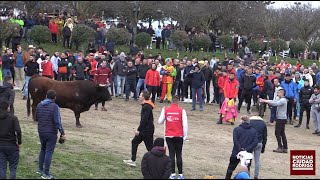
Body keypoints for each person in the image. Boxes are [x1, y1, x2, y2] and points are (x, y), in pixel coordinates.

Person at [36, 90, 65, 179]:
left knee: (43, 150)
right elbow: (57, 121)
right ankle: (46, 173)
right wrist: (62, 132)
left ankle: (40, 169)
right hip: (51, 132)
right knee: (49, 152)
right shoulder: (54, 107)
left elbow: (37, 117)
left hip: (41, 130)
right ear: (55, 97)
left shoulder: (39, 105)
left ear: (46, 95)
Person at [158, 96, 188, 179]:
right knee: (179, 154)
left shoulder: (166, 110)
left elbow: (160, 121)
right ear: (178, 102)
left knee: (171, 154)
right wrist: (184, 135)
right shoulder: (182, 110)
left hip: (169, 135)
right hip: (179, 135)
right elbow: (185, 125)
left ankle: (173, 174)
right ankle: (181, 175)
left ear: (171, 102)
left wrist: (164, 116)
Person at [124, 91, 155, 167]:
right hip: (145, 129)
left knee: (150, 148)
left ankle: (158, 162)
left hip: (147, 130)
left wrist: (138, 130)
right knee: (134, 142)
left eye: (140, 95)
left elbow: (144, 120)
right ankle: (132, 160)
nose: (139, 96)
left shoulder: (146, 107)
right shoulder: (145, 106)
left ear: (143, 97)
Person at [259, 89, 288, 153]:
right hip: (281, 118)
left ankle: (280, 147)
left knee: (277, 133)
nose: (278, 94)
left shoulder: (283, 100)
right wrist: (265, 100)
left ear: (282, 93)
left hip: (281, 118)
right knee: (282, 133)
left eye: (279, 92)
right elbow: (273, 101)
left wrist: (265, 101)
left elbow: (275, 103)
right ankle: (285, 147)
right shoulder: (281, 99)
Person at [0, 98, 22, 179]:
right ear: (7, 107)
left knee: (2, 168)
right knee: (13, 168)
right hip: (12, 145)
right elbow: (18, 131)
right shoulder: (13, 118)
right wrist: (19, 142)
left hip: (1, 146)